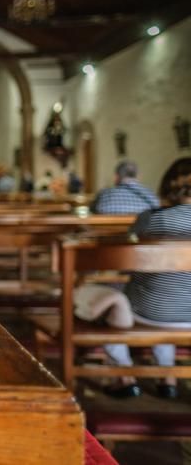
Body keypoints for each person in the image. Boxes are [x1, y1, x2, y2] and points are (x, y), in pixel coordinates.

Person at [103, 158, 191, 399]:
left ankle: (124, 375)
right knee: (174, 291)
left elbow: (127, 262)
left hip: (151, 310)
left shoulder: (151, 219)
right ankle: (168, 377)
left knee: (123, 296)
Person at [92, 160, 159, 214]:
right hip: (141, 230)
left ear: (116, 177)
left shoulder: (104, 193)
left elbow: (93, 211)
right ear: (137, 176)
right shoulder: (151, 195)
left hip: (108, 230)